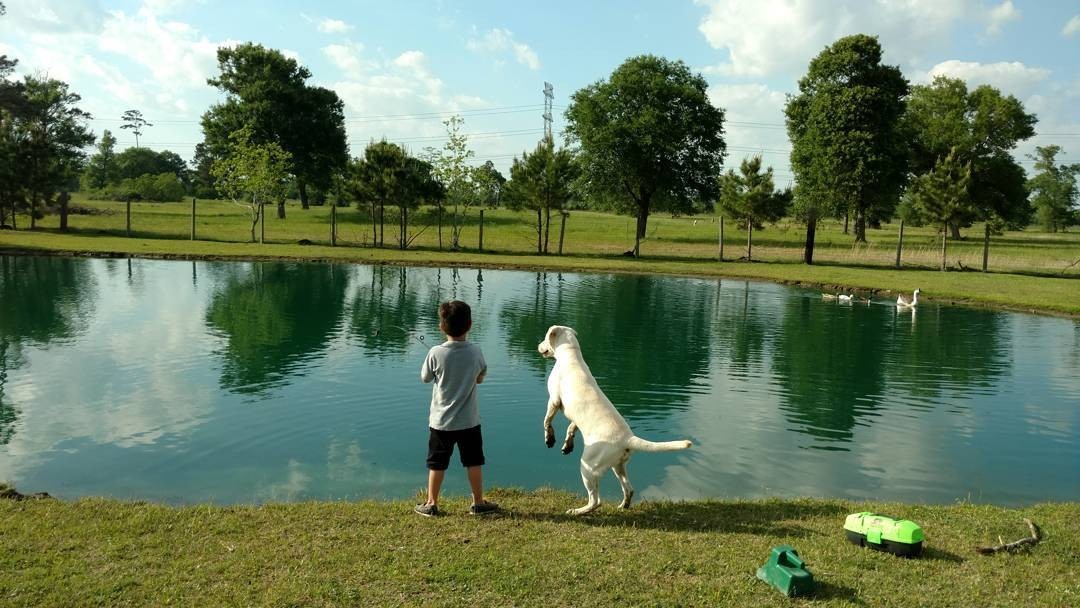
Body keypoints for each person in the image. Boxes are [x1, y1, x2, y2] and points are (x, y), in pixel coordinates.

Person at [415, 300, 499, 517]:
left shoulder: (435, 352)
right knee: (474, 462)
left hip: (441, 423)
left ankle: (432, 503)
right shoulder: (476, 351)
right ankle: (478, 502)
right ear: (470, 324)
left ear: (441, 326)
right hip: (469, 421)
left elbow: (425, 378)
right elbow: (481, 375)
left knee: (437, 463)